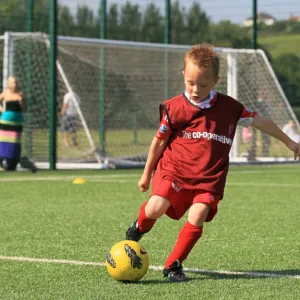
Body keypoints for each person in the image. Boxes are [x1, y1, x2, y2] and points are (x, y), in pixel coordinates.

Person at [125, 44, 300, 282]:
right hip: (174, 172)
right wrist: (146, 175)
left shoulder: (230, 108)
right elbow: (158, 142)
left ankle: (174, 265)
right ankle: (138, 227)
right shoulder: (174, 108)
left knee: (197, 215)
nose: (196, 90)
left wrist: (290, 142)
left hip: (209, 178)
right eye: (190, 83)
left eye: (203, 85)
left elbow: (261, 121)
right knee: (156, 207)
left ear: (216, 81)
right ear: (183, 77)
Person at [0, 76, 26, 171]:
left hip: (17, 123)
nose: (15, 84)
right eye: (13, 82)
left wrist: (22, 102)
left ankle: (13, 162)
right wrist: (1, 109)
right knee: (4, 142)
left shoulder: (20, 95)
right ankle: (3, 161)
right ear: (9, 84)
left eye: (16, 82)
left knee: (15, 143)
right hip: (6, 122)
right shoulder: (5, 94)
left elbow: (24, 109)